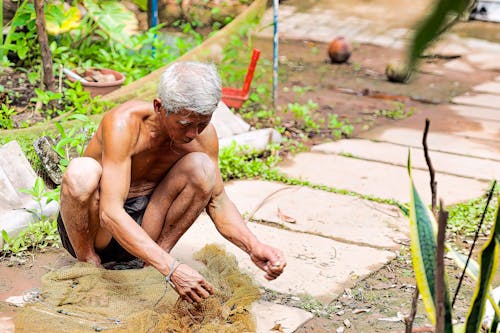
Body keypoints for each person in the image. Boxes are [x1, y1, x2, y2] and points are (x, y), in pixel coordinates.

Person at [57, 61, 286, 304]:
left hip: (147, 227)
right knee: (81, 172)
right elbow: (110, 213)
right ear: (159, 107)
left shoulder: (203, 138)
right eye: (185, 124)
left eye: (202, 123)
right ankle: (88, 264)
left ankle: (149, 264)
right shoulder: (124, 124)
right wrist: (173, 268)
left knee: (202, 168)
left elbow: (218, 201)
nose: (193, 134)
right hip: (97, 229)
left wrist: (253, 246)